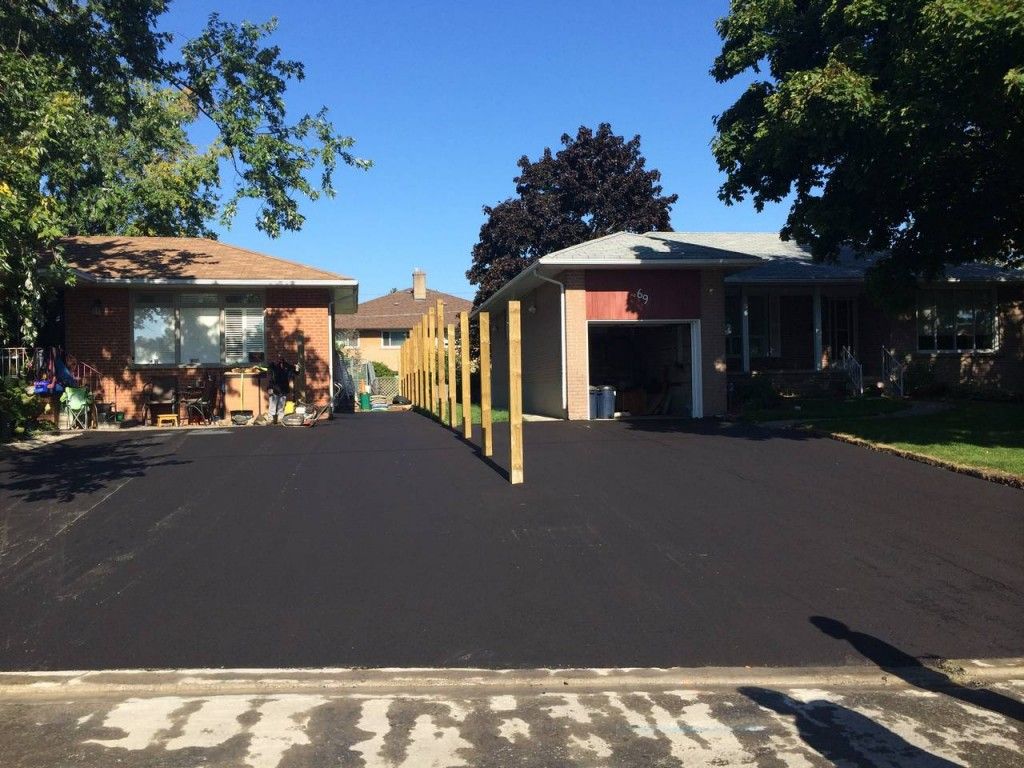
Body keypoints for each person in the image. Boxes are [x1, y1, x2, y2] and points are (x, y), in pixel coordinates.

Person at [267, 354, 297, 424]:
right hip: (275, 387)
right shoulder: (273, 366)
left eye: (281, 358)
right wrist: (270, 387)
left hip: (284, 387)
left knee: (281, 404)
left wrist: (297, 368)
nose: (279, 359)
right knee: (273, 404)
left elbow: (296, 372)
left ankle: (280, 418)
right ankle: (271, 418)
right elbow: (270, 377)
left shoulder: (287, 366)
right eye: (277, 358)